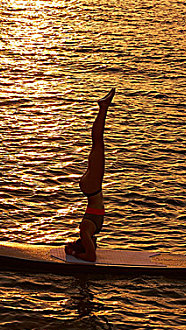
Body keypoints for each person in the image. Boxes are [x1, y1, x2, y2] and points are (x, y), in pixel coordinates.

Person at [64, 88, 115, 262]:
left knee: (98, 143)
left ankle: (103, 108)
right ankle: (103, 108)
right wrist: (77, 251)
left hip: (93, 190)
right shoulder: (88, 230)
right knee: (97, 143)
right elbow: (92, 255)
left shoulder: (85, 228)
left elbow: (90, 257)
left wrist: (73, 254)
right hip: (93, 192)